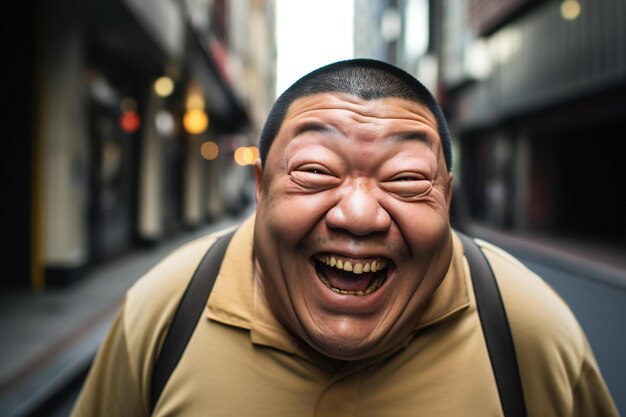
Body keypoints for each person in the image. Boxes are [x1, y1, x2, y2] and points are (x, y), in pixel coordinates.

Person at [70, 59, 619, 417]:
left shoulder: (525, 328)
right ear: (261, 189)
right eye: (314, 172)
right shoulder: (167, 310)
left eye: (405, 179)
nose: (359, 215)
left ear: (446, 199)